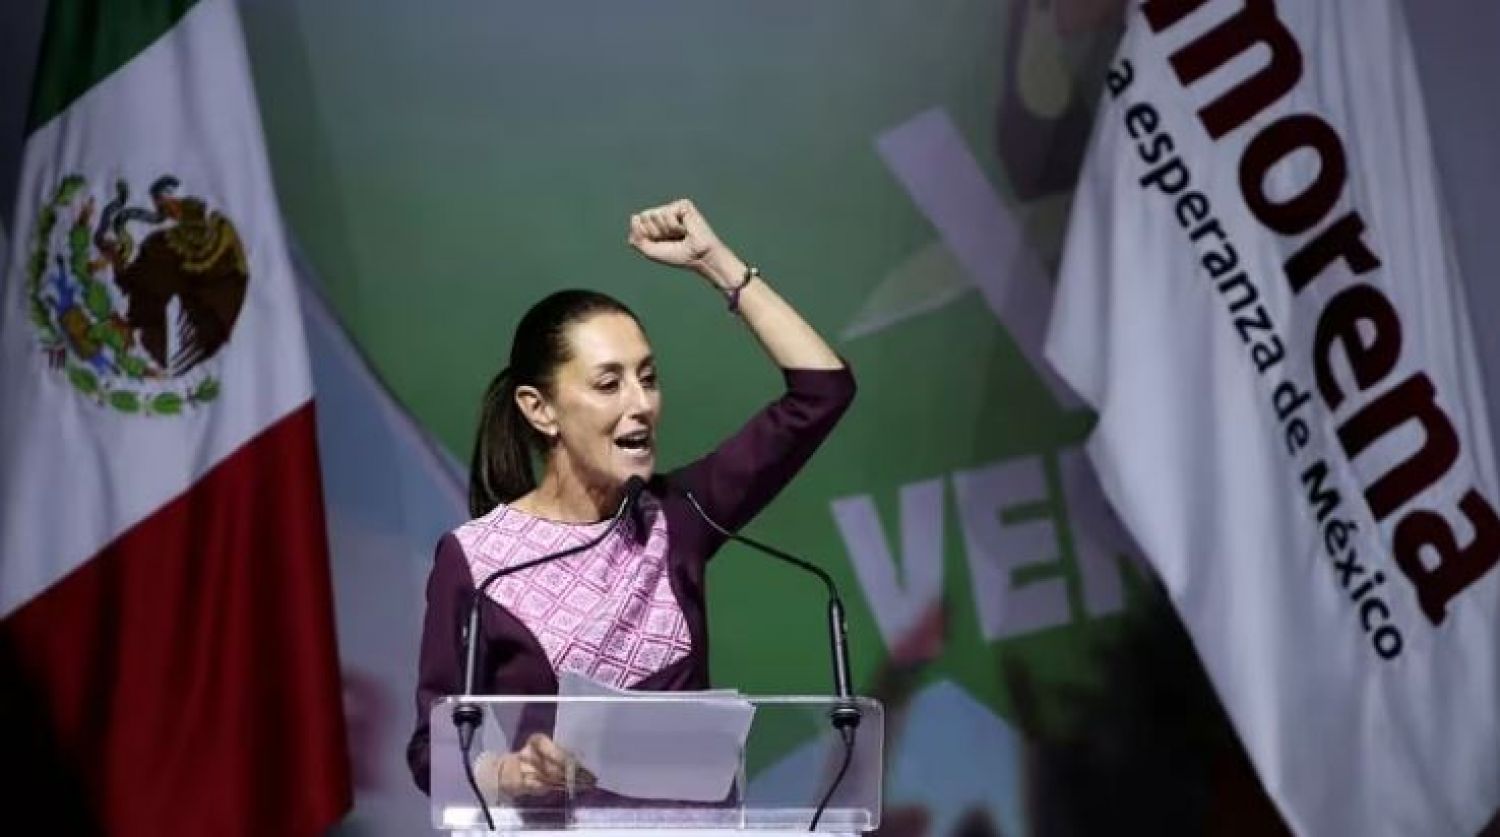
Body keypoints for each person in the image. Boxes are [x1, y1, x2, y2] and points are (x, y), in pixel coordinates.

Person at [406, 198, 856, 800]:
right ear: (539, 410)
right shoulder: (480, 561)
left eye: (648, 377)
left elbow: (822, 392)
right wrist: (514, 773)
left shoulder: (679, 516)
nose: (640, 403)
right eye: (609, 383)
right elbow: (430, 751)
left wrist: (718, 266)